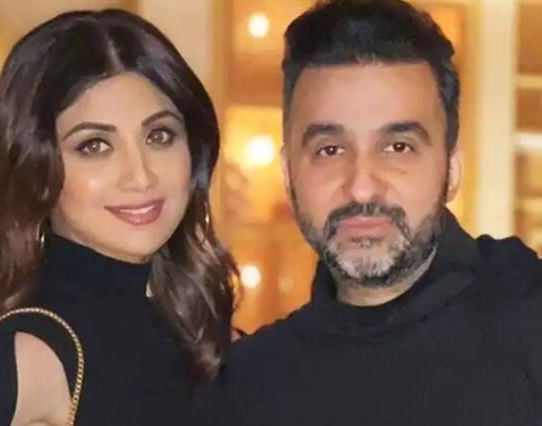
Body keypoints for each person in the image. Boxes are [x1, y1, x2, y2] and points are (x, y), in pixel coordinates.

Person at [214, 1, 542, 425]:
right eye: (330, 150)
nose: (362, 186)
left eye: (398, 147)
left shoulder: (528, 324)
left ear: (452, 170)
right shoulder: (246, 386)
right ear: (288, 174)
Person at [0, 9, 235, 426]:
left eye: (159, 136)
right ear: (36, 170)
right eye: (94, 145)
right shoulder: (30, 355)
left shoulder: (205, 342)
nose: (141, 176)